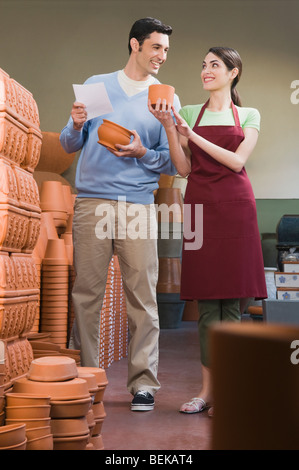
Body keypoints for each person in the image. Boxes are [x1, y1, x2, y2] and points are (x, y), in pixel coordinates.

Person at [60, 17, 181, 412]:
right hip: (92, 202)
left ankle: (143, 384)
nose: (162, 55)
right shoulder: (99, 85)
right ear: (135, 45)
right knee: (87, 295)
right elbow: (68, 142)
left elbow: (170, 162)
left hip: (137, 206)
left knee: (142, 296)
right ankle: (89, 377)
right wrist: (77, 124)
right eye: (156, 48)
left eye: (165, 49)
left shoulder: (166, 98)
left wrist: (142, 152)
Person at [149, 46, 267, 416]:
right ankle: (206, 393)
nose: (206, 70)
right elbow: (183, 169)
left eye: (215, 65)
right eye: (203, 65)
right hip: (199, 209)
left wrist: (192, 135)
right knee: (205, 306)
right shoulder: (186, 113)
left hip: (237, 209)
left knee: (232, 302)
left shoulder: (248, 114)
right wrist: (171, 128)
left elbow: (237, 161)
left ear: (233, 73)